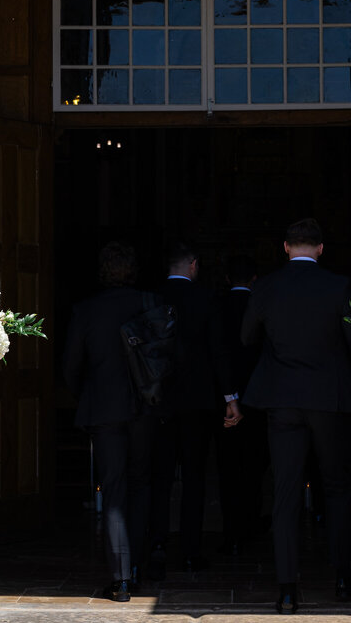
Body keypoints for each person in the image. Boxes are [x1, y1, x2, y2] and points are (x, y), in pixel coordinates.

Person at [241, 218, 351, 613]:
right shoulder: (338, 286)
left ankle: (286, 588)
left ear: (286, 247)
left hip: (282, 399)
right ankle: (341, 576)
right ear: (320, 249)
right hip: (329, 400)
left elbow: (246, 336)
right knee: (337, 486)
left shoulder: (266, 285)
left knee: (286, 492)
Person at [63, 241, 158, 603]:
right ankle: (138, 569)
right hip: (145, 408)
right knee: (141, 485)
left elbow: (71, 366)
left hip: (103, 410)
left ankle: (120, 579)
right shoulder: (149, 302)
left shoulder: (86, 310)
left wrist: (85, 395)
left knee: (114, 491)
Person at [148, 240, 241, 576]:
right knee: (194, 476)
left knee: (159, 474)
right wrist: (230, 397)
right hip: (199, 402)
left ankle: (157, 542)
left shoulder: (152, 297)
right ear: (193, 265)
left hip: (158, 400)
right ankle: (190, 550)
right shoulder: (207, 299)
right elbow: (219, 351)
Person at [216, 252, 269, 555]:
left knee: (228, 466)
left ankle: (231, 529)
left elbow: (217, 352)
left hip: (225, 398)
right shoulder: (260, 304)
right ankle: (250, 522)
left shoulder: (217, 305)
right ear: (254, 279)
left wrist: (227, 395)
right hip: (258, 396)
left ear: (226, 279)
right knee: (256, 464)